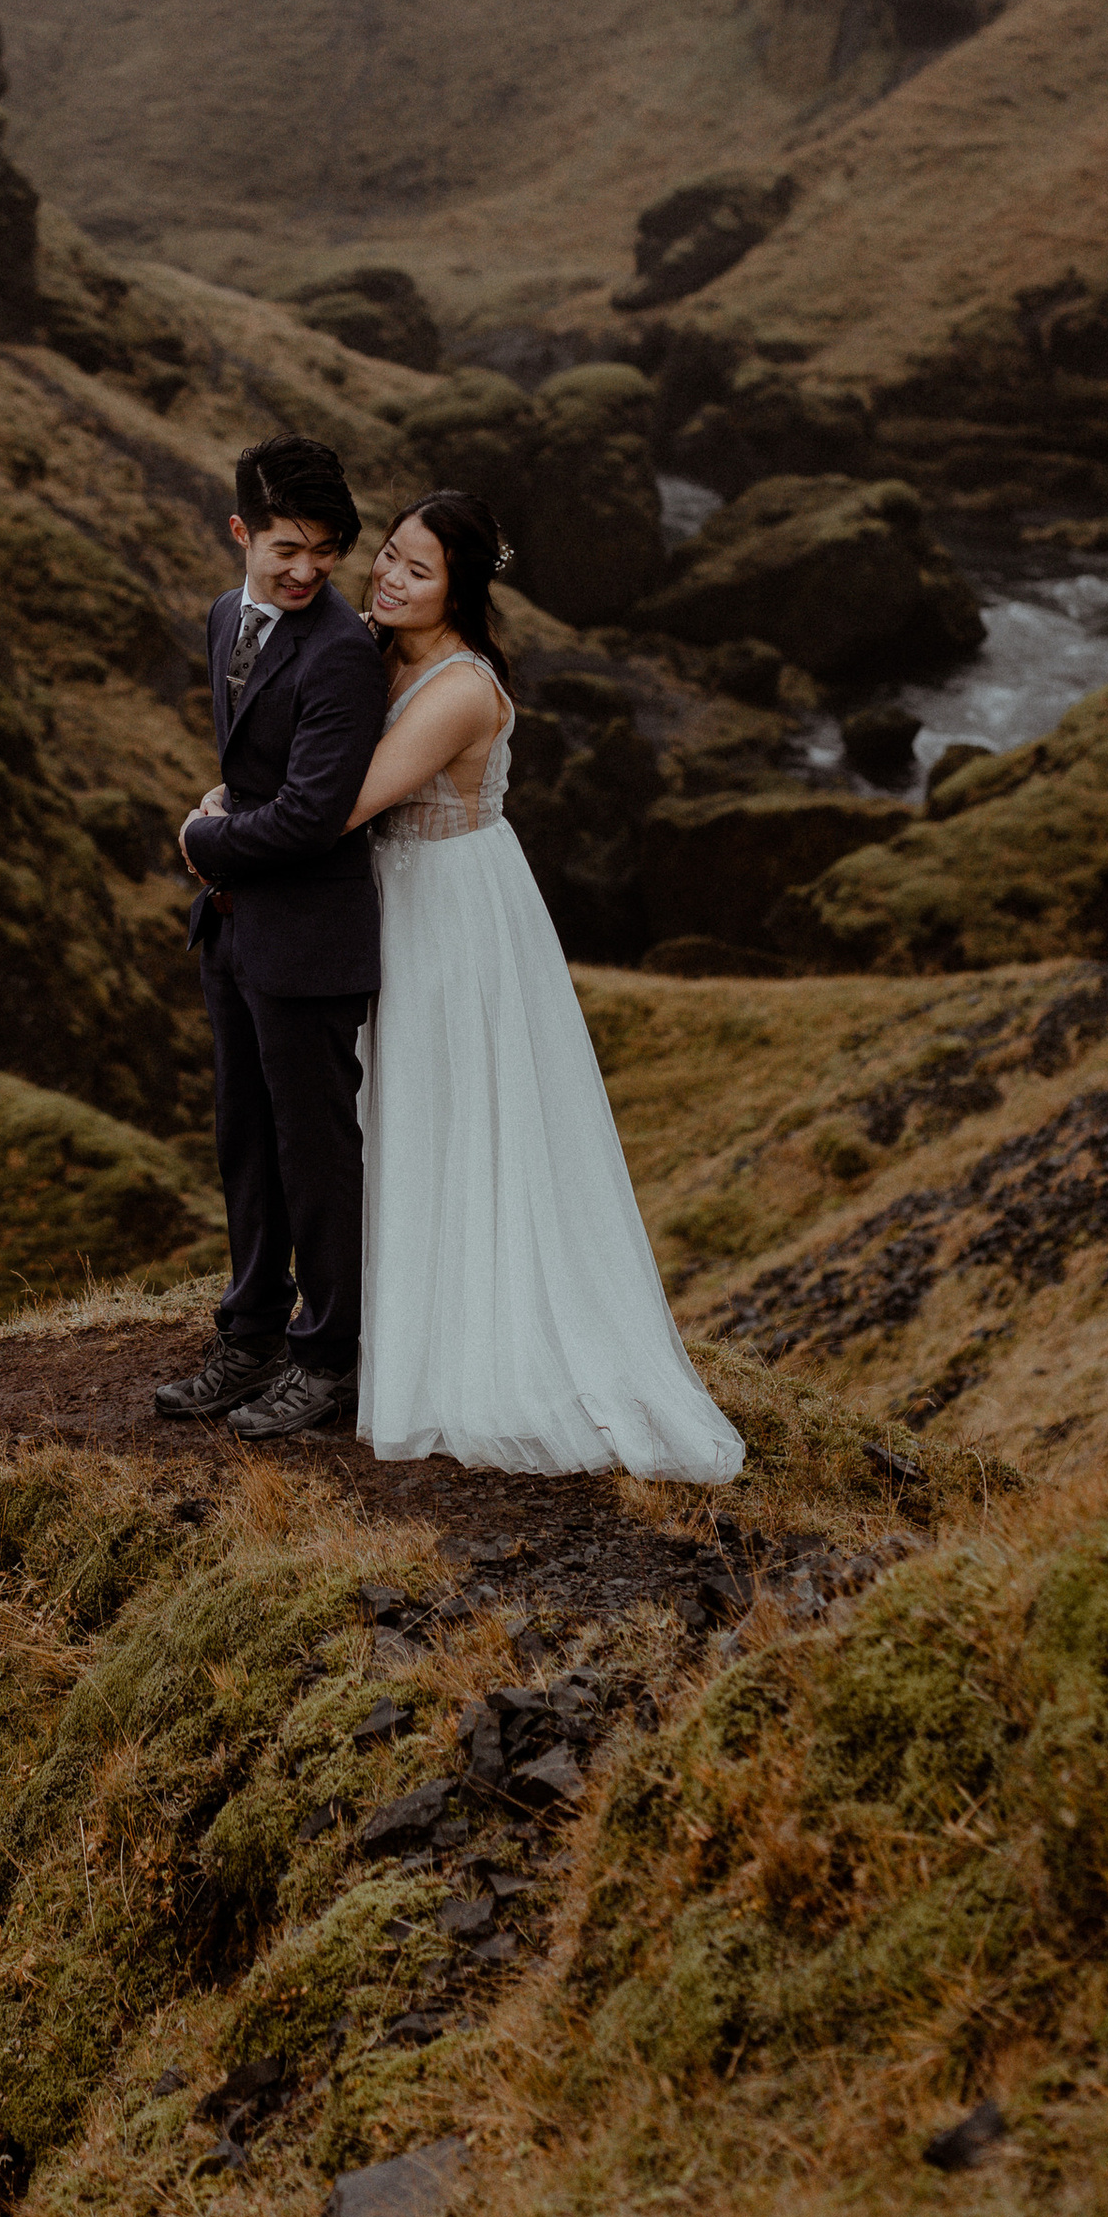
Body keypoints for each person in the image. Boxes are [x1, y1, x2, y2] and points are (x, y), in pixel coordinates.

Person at [343, 491, 743, 1480]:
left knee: (460, 1110)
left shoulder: (460, 688)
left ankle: (477, 1349)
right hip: (399, 898)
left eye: (416, 571)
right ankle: (405, 1323)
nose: (389, 578)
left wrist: (223, 818)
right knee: (404, 1109)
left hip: (450, 908)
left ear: (462, 590)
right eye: (388, 556)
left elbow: (348, 799)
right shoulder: (376, 645)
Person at [158, 436, 390, 1442]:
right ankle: (247, 1336)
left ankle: (326, 1357)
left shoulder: (341, 649)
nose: (306, 572)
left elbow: (310, 813)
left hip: (309, 939)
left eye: (327, 552)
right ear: (240, 532)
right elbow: (259, 779)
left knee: (315, 1154)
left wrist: (204, 837)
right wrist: (224, 839)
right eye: (287, 549)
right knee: (243, 1144)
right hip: (234, 932)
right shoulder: (223, 615)